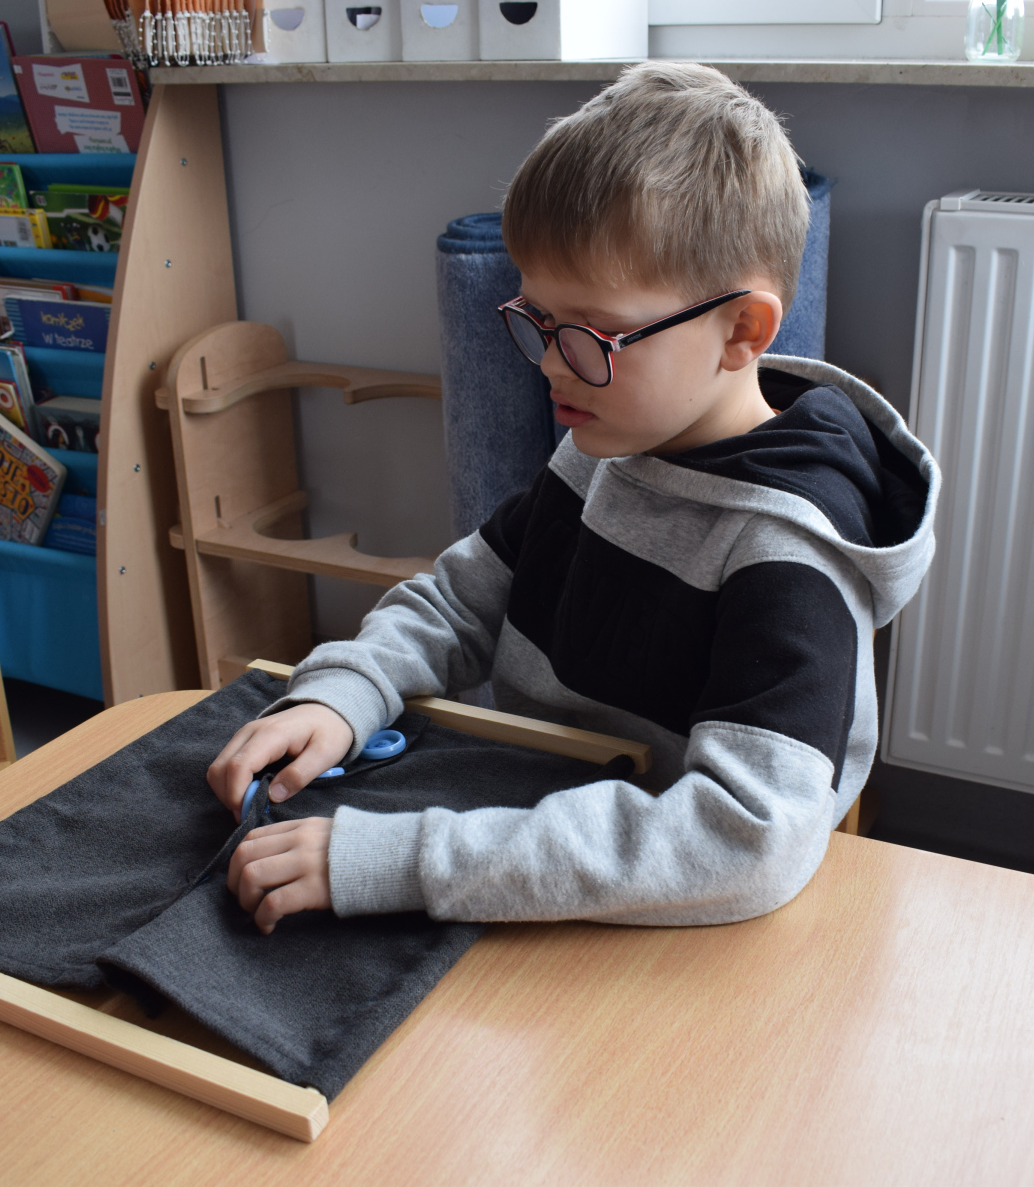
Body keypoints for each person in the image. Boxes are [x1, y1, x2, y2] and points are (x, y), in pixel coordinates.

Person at [207, 63, 939, 933]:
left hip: (674, 924)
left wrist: (407, 859)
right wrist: (346, 691)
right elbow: (461, 601)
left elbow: (745, 841)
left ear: (741, 330)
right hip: (536, 835)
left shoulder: (788, 554)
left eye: (594, 334)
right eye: (540, 321)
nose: (552, 364)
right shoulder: (611, 445)